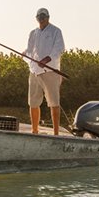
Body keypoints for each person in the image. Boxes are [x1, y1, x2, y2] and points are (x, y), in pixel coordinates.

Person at [23, 7, 65, 135]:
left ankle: (56, 133)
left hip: (50, 72)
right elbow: (30, 51)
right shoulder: (33, 33)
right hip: (34, 72)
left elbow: (60, 49)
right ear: (37, 18)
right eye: (39, 17)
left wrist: (46, 60)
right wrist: (24, 55)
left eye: (44, 17)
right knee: (33, 103)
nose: (41, 19)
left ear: (48, 17)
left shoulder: (56, 31)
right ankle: (34, 131)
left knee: (54, 102)